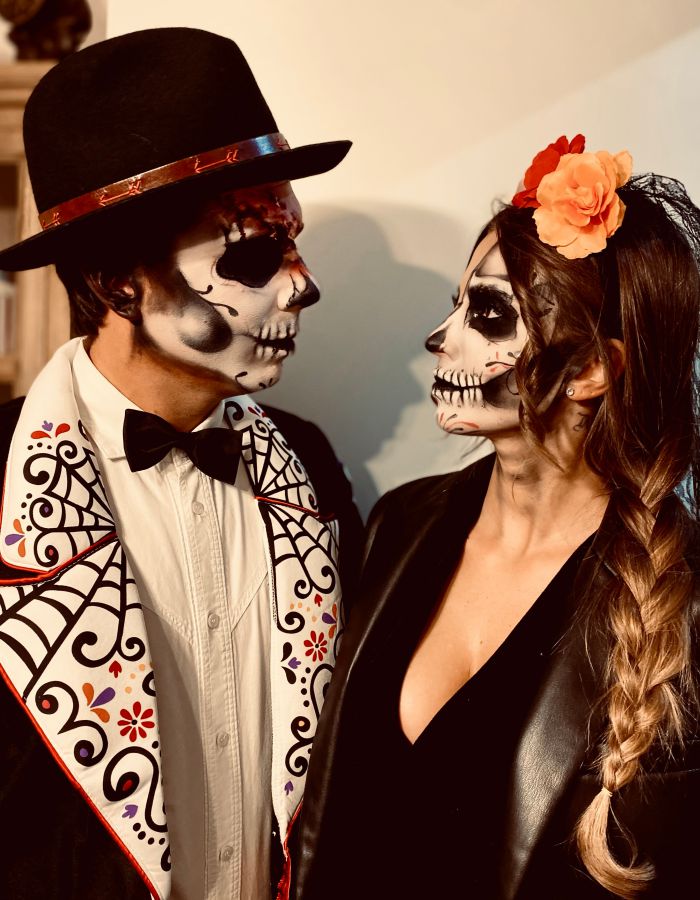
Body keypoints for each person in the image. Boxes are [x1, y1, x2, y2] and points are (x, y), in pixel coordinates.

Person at [0, 27, 362, 900]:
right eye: (253, 254)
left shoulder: (309, 468)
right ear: (117, 281)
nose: (304, 284)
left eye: (294, 241)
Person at [291, 136, 700, 899]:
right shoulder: (401, 525)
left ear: (591, 369)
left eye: (486, 314)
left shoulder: (681, 597)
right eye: (457, 305)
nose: (438, 338)